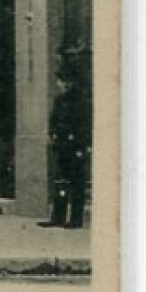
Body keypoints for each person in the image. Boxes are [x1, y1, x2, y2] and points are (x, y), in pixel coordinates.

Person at [40, 56, 91, 229]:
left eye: (66, 81)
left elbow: (85, 125)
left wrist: (83, 146)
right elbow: (53, 120)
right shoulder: (59, 100)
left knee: (76, 183)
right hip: (62, 147)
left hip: (75, 147)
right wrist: (52, 134)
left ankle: (76, 220)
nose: (62, 85)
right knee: (60, 182)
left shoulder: (80, 102)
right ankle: (57, 217)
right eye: (61, 81)